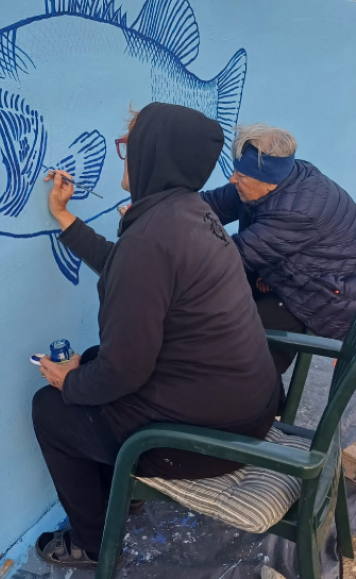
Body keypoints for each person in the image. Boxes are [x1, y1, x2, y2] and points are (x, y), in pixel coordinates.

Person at [32, 103, 278, 568]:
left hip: (214, 442)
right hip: (249, 410)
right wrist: (65, 218)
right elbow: (128, 268)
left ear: (153, 155)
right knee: (92, 362)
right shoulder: (191, 214)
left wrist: (70, 382)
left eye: (129, 146)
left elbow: (123, 370)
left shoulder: (151, 237)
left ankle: (92, 543)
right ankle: (126, 499)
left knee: (52, 408)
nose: (123, 156)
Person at [202, 123, 356, 384]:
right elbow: (212, 204)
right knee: (224, 306)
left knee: (239, 334)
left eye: (241, 176)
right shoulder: (284, 177)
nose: (233, 179)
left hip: (333, 296)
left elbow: (231, 258)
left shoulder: (295, 211)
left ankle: (258, 407)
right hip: (302, 277)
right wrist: (159, 210)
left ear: (267, 181)